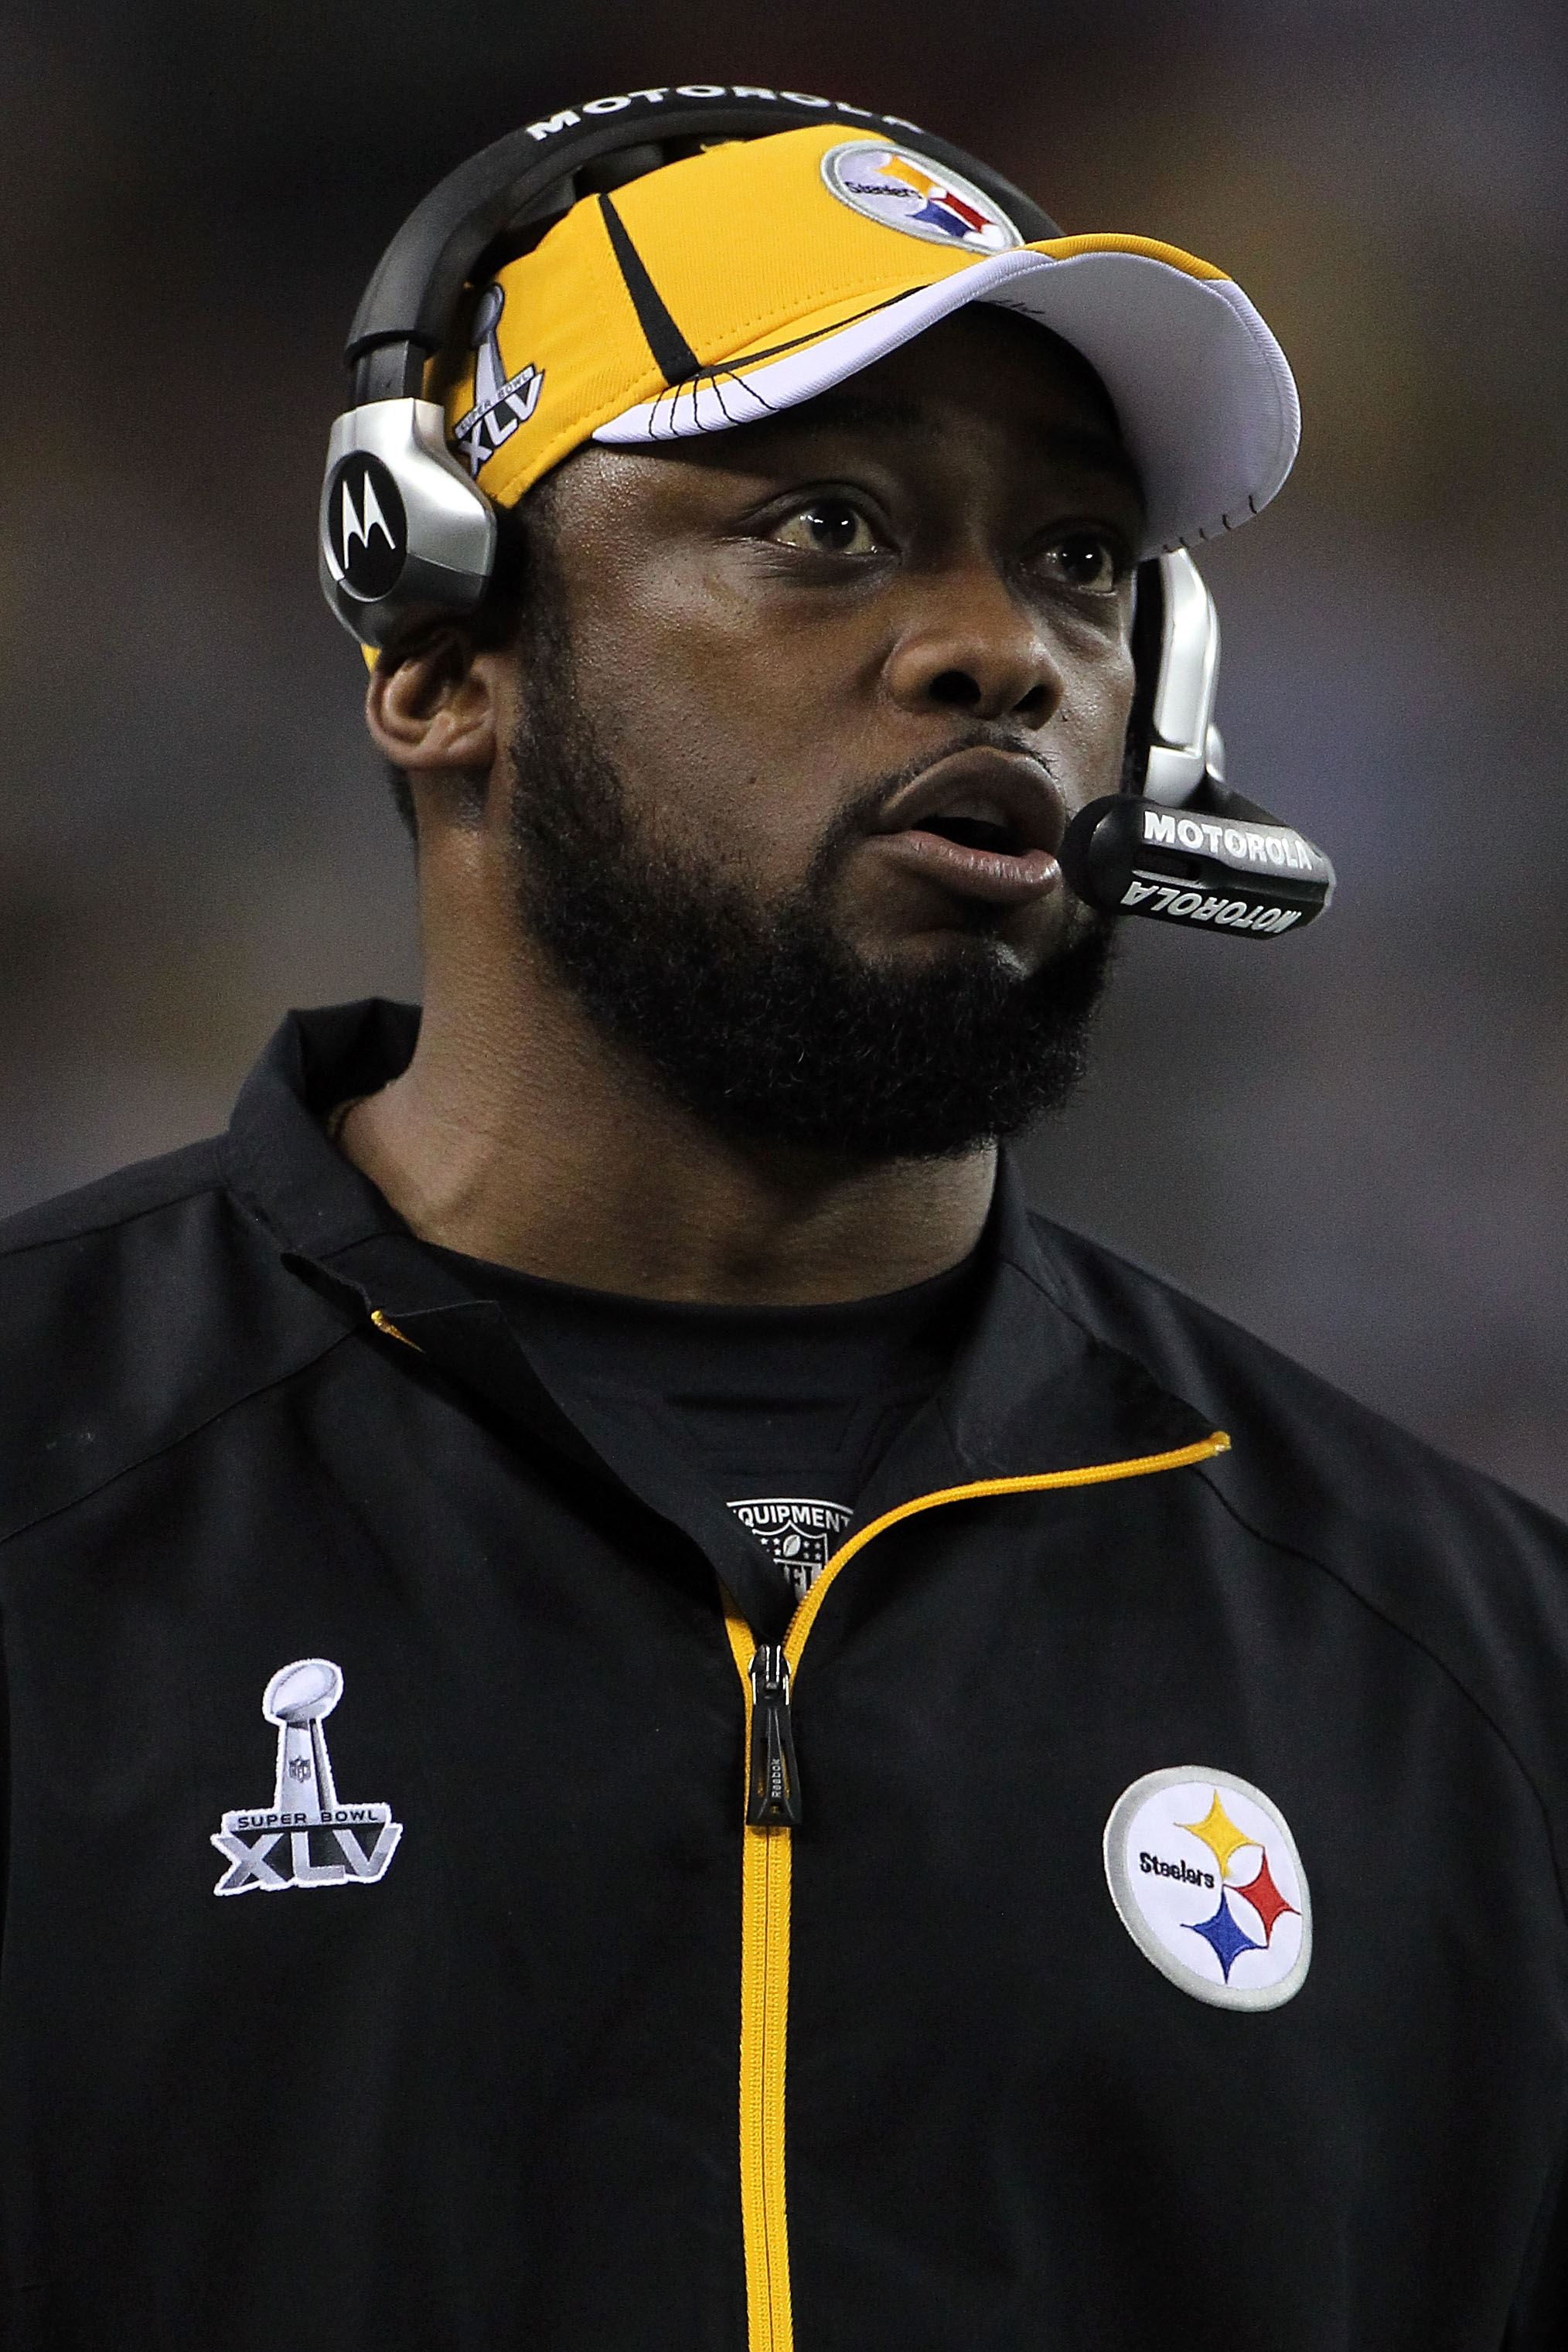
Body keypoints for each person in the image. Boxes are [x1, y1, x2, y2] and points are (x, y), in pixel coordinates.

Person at [2, 86, 1566, 2352]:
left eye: (1077, 562)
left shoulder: (1473, 1672)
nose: (1000, 651)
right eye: (829, 526)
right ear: (440, 651)